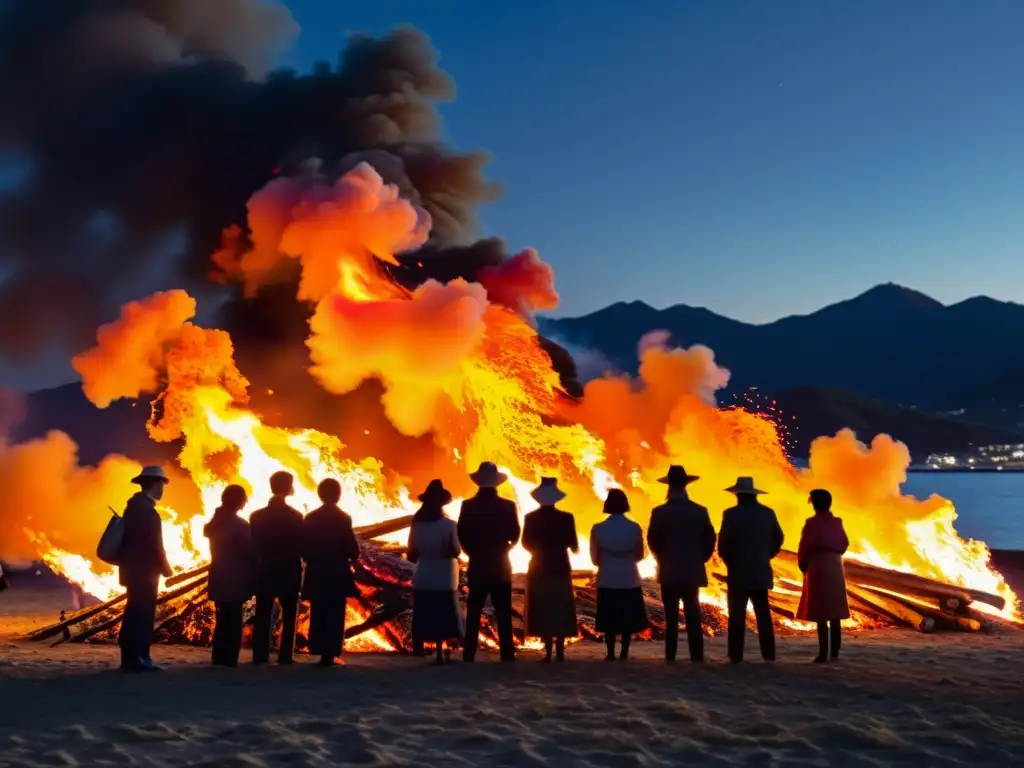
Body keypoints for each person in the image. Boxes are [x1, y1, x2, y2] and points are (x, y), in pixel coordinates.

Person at [647, 465, 716, 663]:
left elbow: (652, 540)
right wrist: (700, 558)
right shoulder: (700, 511)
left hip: (669, 571)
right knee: (693, 614)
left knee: (671, 617)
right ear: (686, 486)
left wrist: (661, 559)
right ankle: (697, 655)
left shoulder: (659, 512)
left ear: (668, 487)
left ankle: (671, 655)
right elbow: (710, 540)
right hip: (692, 570)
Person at [457, 461, 521, 662]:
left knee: (474, 610)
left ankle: (469, 653)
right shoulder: (508, 506)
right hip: (500, 564)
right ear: (496, 483)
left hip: (478, 564)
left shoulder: (467, 506)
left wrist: (471, 553)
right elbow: (515, 533)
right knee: (503, 610)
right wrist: (506, 549)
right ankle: (507, 652)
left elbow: (461, 535)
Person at [717, 476, 785, 664]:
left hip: (738, 572)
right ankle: (769, 653)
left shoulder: (730, 515)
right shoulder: (767, 514)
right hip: (760, 570)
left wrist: (730, 561)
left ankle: (736, 654)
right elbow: (779, 537)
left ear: (738, 495)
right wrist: (768, 554)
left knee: (737, 615)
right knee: (763, 613)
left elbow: (722, 544)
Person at [116, 465, 172, 672]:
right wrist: (167, 570)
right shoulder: (149, 513)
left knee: (132, 612)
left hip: (131, 570)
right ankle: (140, 658)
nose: (162, 489)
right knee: (143, 615)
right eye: (161, 484)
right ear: (155, 484)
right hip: (146, 572)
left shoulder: (131, 508)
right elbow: (156, 544)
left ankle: (129, 657)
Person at [301, 478, 361, 666]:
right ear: (337, 495)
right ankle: (331, 652)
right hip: (337, 572)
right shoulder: (343, 518)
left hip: (317, 571)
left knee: (318, 611)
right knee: (335, 613)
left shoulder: (310, 518)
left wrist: (311, 560)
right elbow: (351, 548)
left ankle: (318, 648)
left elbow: (304, 547)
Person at [249, 470, 304, 665]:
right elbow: (301, 546)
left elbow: (253, 545)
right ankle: (286, 655)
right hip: (288, 570)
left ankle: (260, 655)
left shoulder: (256, 516)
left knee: (263, 612)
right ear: (288, 487)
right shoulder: (296, 517)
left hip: (265, 569)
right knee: (289, 615)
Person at [522, 478, 579, 662]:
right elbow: (574, 545)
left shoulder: (530, 518)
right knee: (560, 606)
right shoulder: (567, 518)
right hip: (560, 565)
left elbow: (525, 543)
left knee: (543, 606)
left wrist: (539, 550)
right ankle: (560, 650)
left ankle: (547, 651)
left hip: (539, 566)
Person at [408, 479, 464, 665]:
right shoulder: (449, 526)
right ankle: (441, 650)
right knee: (444, 614)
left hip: (424, 576)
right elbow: (456, 551)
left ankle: (421, 646)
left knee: (425, 613)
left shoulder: (417, 524)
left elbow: (412, 554)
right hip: (444, 577)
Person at [589, 488, 648, 661]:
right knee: (627, 617)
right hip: (629, 577)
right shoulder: (634, 528)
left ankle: (610, 653)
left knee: (609, 617)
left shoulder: (598, 529)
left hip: (607, 577)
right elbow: (639, 555)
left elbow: (594, 558)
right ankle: (624, 652)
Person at [204, 484, 258, 668]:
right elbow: (249, 553)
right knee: (234, 619)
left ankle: (218, 655)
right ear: (239, 502)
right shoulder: (240, 526)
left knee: (222, 617)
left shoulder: (214, 524)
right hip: (235, 577)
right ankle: (229, 658)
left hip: (219, 574)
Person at [796, 488, 850, 662]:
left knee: (821, 613)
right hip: (834, 567)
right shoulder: (837, 522)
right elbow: (844, 544)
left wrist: (803, 562)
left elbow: (804, 545)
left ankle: (823, 653)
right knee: (835, 613)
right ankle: (835, 652)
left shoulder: (811, 524)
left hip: (818, 567)